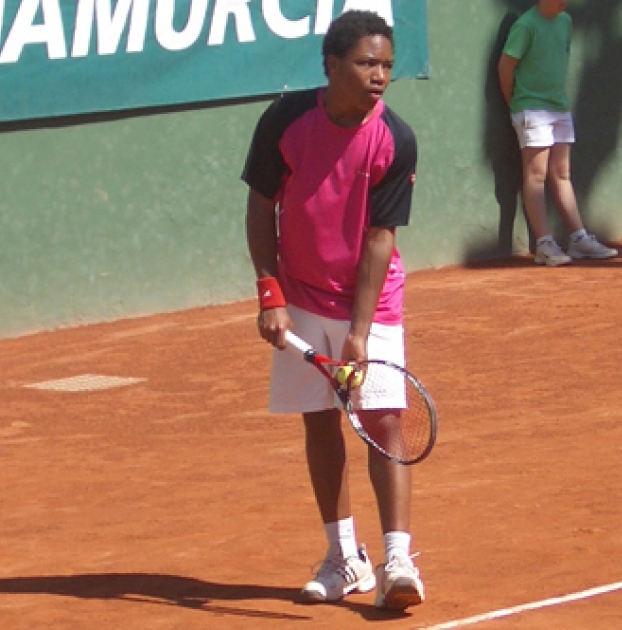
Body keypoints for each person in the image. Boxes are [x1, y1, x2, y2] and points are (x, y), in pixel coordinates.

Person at [241, 10, 424, 611]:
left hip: (369, 299)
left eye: (388, 66)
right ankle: (345, 558)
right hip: (300, 291)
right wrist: (270, 292)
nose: (379, 76)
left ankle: (398, 558)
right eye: (367, 63)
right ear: (331, 65)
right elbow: (260, 205)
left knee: (383, 423)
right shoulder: (285, 119)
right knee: (319, 422)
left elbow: (379, 239)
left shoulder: (395, 138)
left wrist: (361, 334)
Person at [497, 0, 618, 266]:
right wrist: (516, 105)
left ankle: (578, 238)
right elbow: (505, 68)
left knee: (562, 174)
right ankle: (544, 244)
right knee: (536, 176)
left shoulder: (565, 22)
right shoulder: (526, 25)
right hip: (531, 108)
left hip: (559, 108)